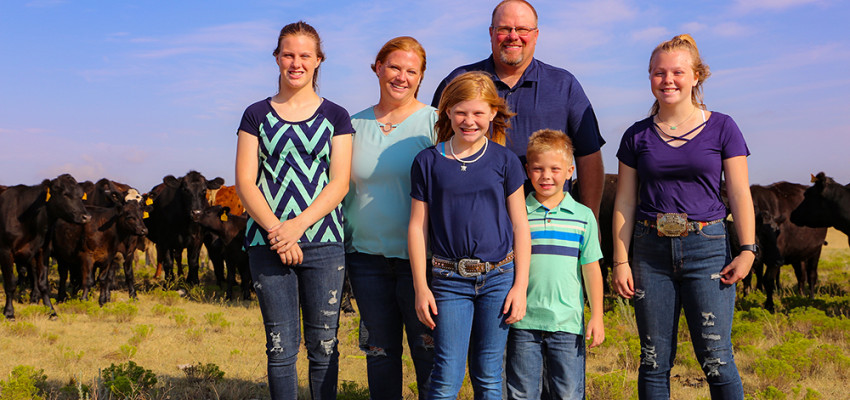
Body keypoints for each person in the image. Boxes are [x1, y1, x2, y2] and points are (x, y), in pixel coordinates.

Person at [611, 34, 755, 399]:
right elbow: (625, 202)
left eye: (677, 72)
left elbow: (739, 193)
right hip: (649, 251)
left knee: (716, 359)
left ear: (696, 76)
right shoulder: (636, 136)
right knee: (653, 361)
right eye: (659, 73)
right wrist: (621, 260)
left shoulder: (723, 127)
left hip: (707, 249)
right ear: (650, 78)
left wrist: (748, 249)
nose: (668, 80)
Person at [234, 21, 354, 400]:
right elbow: (245, 182)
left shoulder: (336, 116)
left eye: (305, 55)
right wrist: (277, 232)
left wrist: (297, 227)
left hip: (324, 243)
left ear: (319, 61)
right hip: (266, 243)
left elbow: (339, 183)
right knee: (280, 346)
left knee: (324, 345)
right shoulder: (255, 115)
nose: (296, 62)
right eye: (288, 54)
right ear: (276, 58)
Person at [409, 71, 531, 400]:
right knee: (447, 374)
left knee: (489, 373)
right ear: (447, 111)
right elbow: (417, 226)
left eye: (478, 113)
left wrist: (520, 286)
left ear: (493, 113)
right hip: (448, 280)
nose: (469, 121)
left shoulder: (505, 161)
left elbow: (520, 224)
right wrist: (422, 287)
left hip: (499, 277)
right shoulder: (428, 162)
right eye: (461, 112)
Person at [431, 0, 606, 217]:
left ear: (536, 34)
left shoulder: (564, 85)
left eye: (522, 29)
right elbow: (433, 148)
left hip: (546, 225)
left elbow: (588, 154)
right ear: (491, 33)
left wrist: (591, 219)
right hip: (474, 224)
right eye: (504, 29)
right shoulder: (459, 82)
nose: (513, 36)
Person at [343, 36, 436, 399]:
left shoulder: (435, 123)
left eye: (411, 71)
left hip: (422, 263)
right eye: (394, 67)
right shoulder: (351, 125)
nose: (401, 76)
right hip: (366, 260)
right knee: (379, 353)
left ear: (421, 77)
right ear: (378, 68)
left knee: (428, 351)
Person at [506, 129, 605, 400]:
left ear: (570, 170)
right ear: (527, 170)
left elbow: (591, 269)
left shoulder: (583, 216)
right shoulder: (517, 215)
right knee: (522, 393)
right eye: (538, 168)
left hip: (567, 322)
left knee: (568, 393)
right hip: (522, 321)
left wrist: (597, 315)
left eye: (555, 169)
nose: (546, 176)